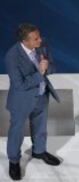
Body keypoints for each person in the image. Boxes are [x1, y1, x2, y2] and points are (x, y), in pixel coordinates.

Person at [5, 24, 61, 181]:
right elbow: (20, 84)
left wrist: (47, 68)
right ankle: (14, 161)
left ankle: (39, 151)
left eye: (39, 36)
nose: (40, 40)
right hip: (22, 101)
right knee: (16, 132)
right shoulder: (12, 57)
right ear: (25, 41)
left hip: (42, 95)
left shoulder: (42, 46)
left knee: (41, 126)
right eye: (36, 38)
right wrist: (41, 72)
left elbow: (53, 67)